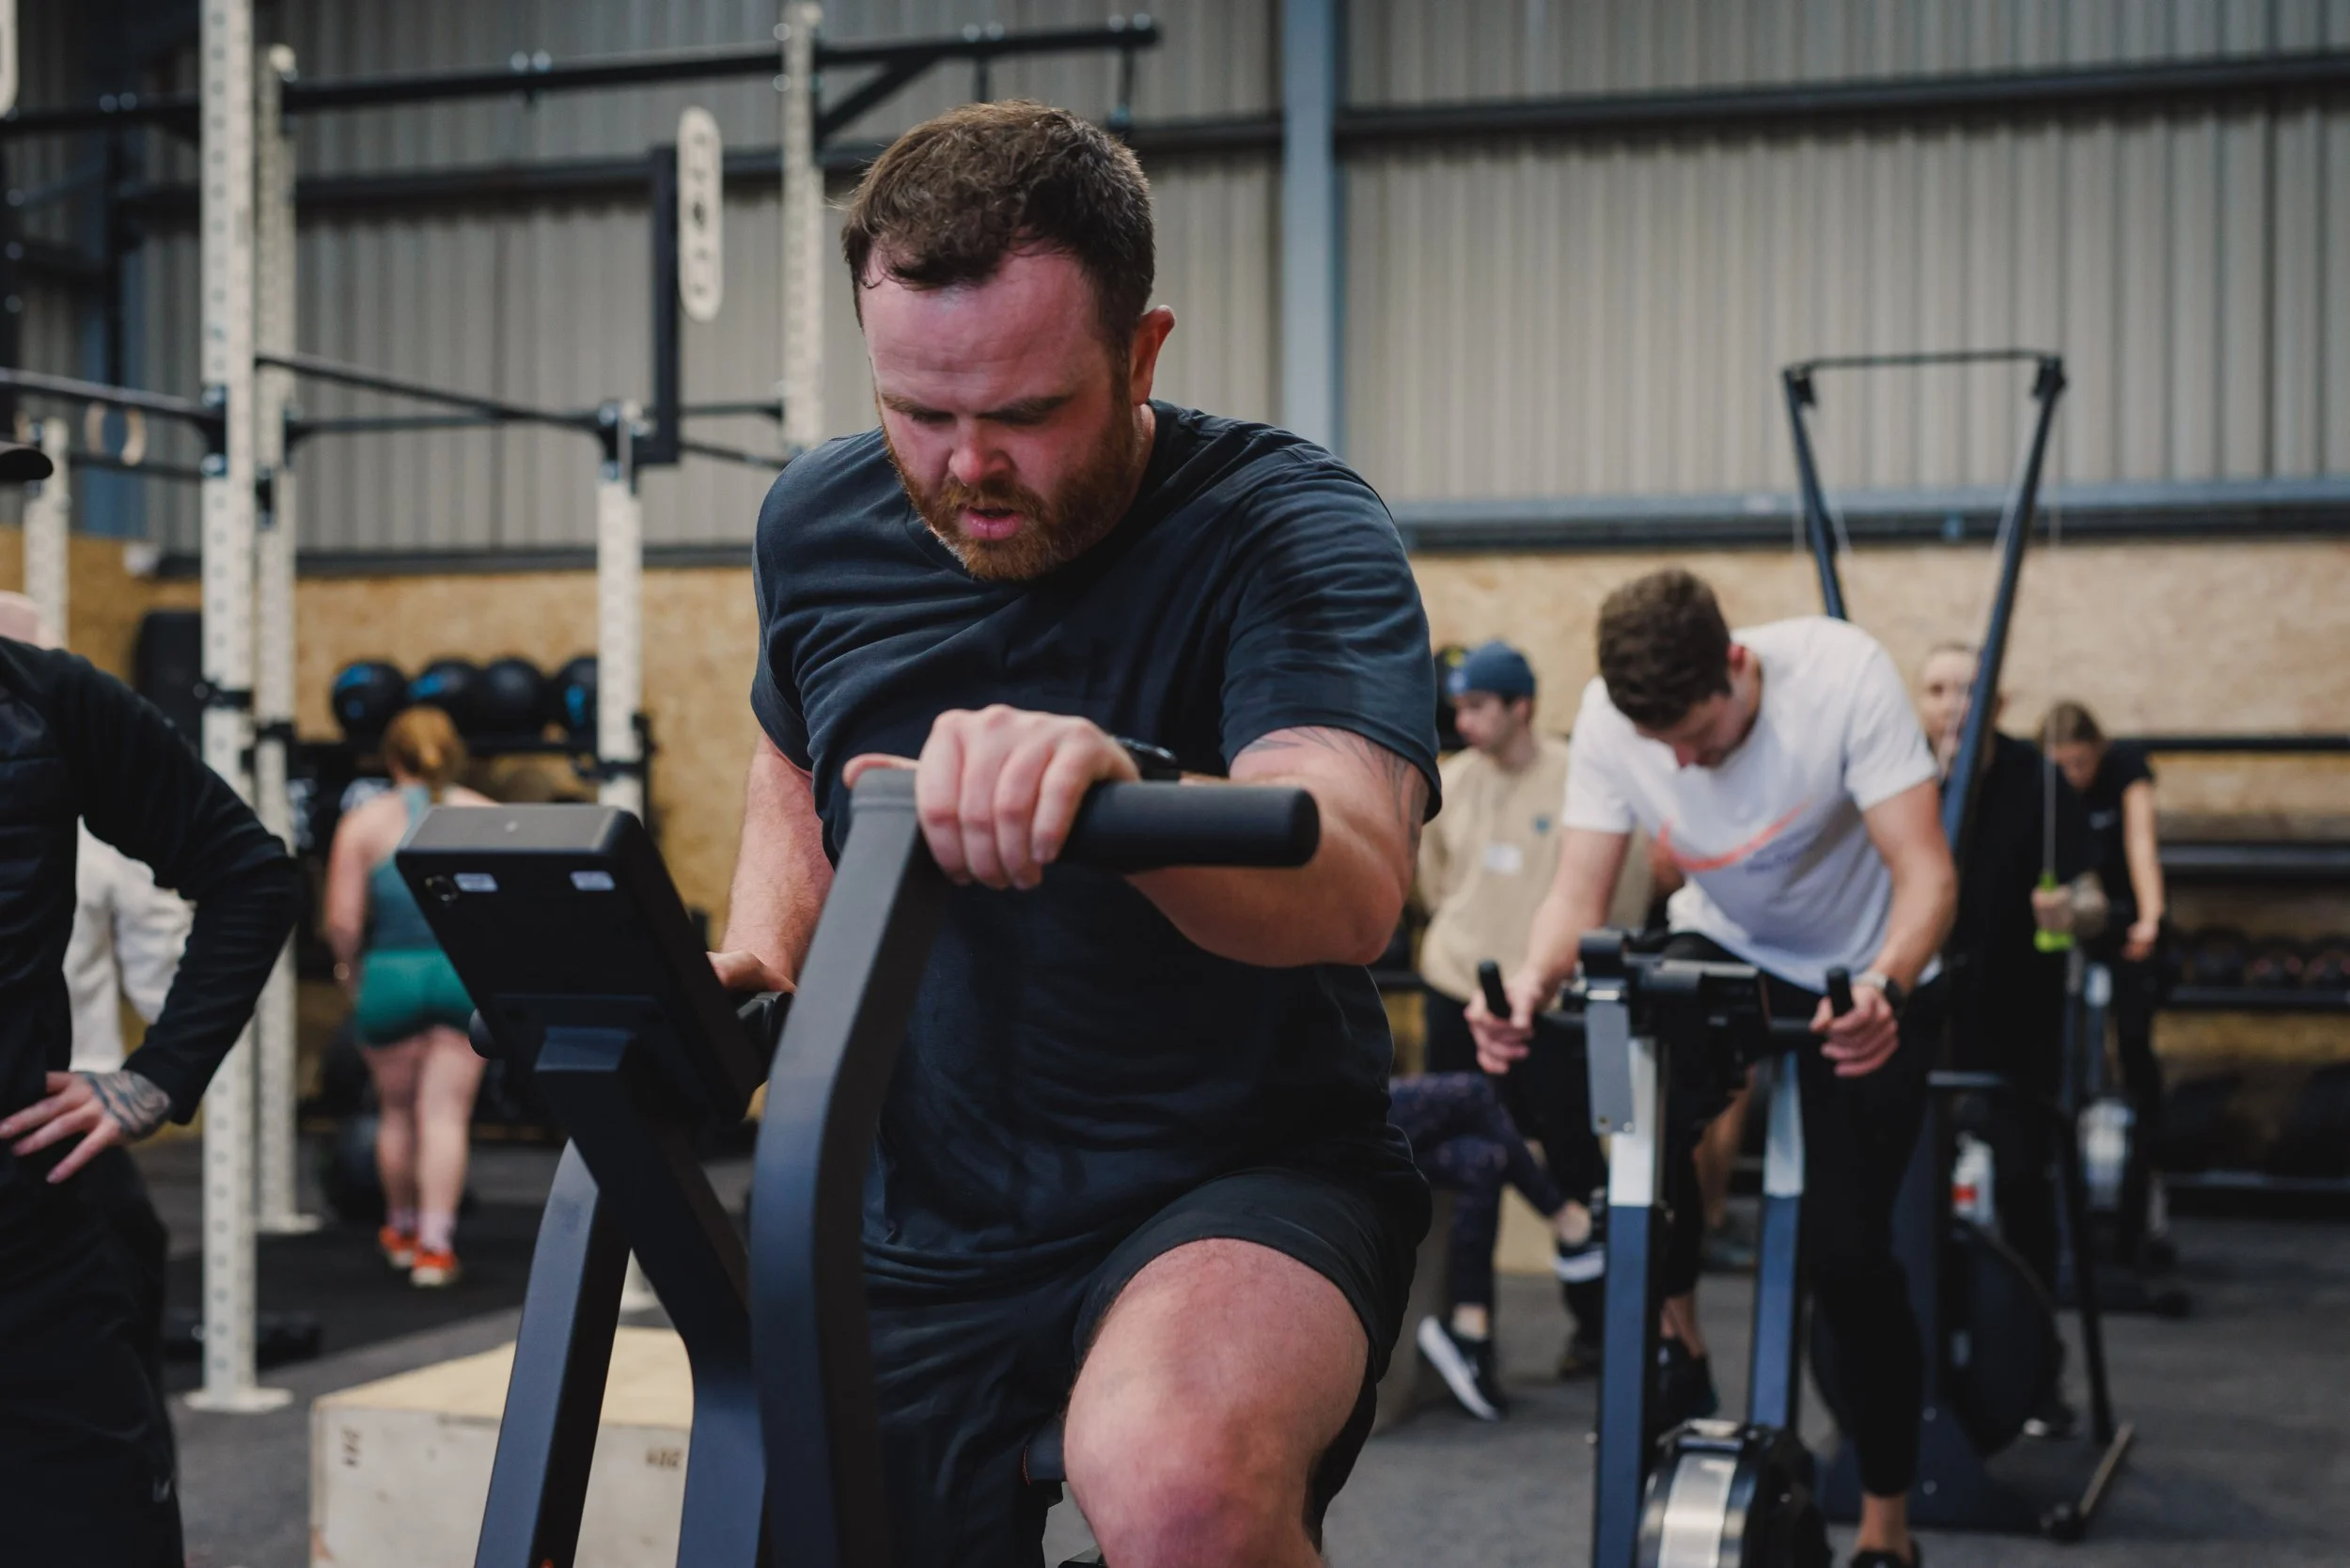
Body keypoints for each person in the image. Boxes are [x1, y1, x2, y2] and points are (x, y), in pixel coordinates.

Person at [709, 102, 1437, 1568]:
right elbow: (794, 757)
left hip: (1233, 1176)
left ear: (1142, 351)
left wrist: (1119, 795)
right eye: (918, 412)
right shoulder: (817, 522)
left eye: (1026, 416)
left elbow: (1353, 875)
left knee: (1171, 1480)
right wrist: (752, 962)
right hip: (916, 1197)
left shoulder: (1286, 529)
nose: (966, 466)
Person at [1472, 570, 1956, 1568]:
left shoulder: (1841, 677)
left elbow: (1926, 873)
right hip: (1726, 941)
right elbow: (1576, 895)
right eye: (1666, 751)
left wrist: (1888, 987)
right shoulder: (1614, 720)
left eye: (1702, 736)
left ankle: (1884, 1529)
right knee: (1594, 1060)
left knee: (1850, 1256)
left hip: (1866, 965)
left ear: (1737, 662)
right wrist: (1526, 979)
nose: (1685, 766)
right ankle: (1677, 1342)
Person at [0, 551, 300, 1565]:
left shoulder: (47, 699)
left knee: (101, 1531)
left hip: (26, 1237)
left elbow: (248, 871)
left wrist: (153, 1074)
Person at [1413, 637, 1633, 1375]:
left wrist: (1546, 970)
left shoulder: (1581, 783)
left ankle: (1600, 1330)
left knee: (1573, 1156)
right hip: (1458, 992)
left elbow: (1617, 888)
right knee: (1465, 1159)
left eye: (1479, 706)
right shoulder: (1452, 783)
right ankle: (1461, 1328)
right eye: (1460, 706)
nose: (1465, 720)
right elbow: (1435, 884)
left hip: (1550, 1005)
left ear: (1522, 707)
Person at [0, 593, 195, 1402]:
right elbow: (158, 982)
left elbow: (244, 877)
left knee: (99, 1421)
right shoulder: (99, 845)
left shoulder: (99, 832)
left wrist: (158, 1077)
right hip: (65, 1130)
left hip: (64, 1133)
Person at [1917, 642, 2103, 1439]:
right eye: (1938, 689)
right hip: (1921, 1022)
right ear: (1920, 702)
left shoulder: (2039, 782)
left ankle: (2036, 1379)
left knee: (2025, 1195)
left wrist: (2072, 916)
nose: (1954, 703)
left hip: (2014, 1025)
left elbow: (2096, 898)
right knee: (1907, 1200)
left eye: (1969, 688)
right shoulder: (1896, 778)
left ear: (1997, 700)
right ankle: (1916, 1372)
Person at [323, 704, 492, 1288]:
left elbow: (342, 921)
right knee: (445, 1115)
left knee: (396, 1112)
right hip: (458, 974)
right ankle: (435, 1249)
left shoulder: (365, 821)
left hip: (391, 974)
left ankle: (399, 1230)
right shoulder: (485, 816)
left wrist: (352, 972)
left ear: (392, 757)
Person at [1388, 1070, 1598, 1420]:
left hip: (1342, 1096)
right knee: (1474, 1091)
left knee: (1485, 1159)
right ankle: (1568, 1221)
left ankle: (1470, 1329)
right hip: (1311, 1112)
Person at [2044, 699, 2170, 1265]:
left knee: (2135, 1047)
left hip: (2124, 919)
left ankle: (2141, 1198)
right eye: (2060, 764)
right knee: (2059, 1057)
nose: (2072, 775)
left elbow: (2140, 845)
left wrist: (2151, 916)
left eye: (2079, 762)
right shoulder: (2042, 785)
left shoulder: (2124, 768)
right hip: (2069, 922)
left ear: (2096, 750)